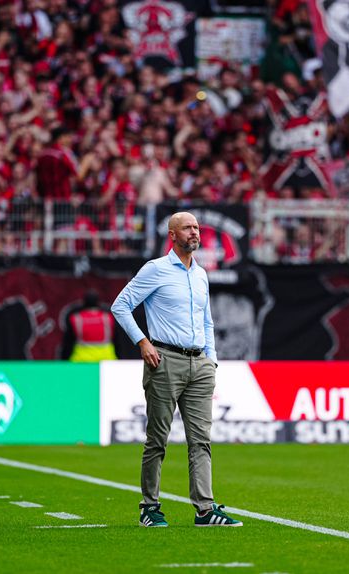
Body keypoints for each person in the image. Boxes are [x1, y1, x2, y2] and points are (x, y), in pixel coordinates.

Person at [111, 212, 242, 528]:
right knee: (157, 438)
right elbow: (120, 305)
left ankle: (205, 509)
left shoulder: (200, 274)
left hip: (200, 364)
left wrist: (211, 360)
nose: (195, 232)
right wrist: (143, 342)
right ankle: (149, 507)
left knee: (201, 440)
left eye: (197, 227)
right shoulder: (155, 269)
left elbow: (207, 321)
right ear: (172, 235)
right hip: (165, 360)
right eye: (188, 227)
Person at [60, 290, 118, 362]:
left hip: (81, 361)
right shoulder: (108, 318)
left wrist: (63, 361)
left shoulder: (76, 319)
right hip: (106, 360)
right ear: (98, 303)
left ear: (84, 303)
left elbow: (67, 344)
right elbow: (117, 341)